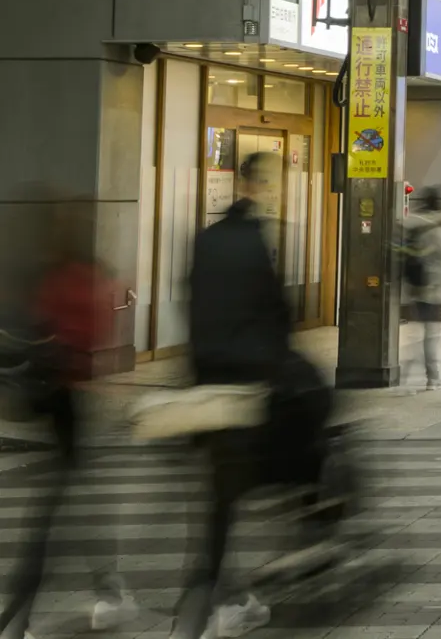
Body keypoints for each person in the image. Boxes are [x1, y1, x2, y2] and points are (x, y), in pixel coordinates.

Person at [0, 200, 132, 639]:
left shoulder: (48, 274)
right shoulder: (79, 274)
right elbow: (92, 341)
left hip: (51, 400)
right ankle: (29, 615)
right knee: (64, 506)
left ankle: (99, 590)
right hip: (65, 401)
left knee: (65, 504)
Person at [178, 152, 296, 639]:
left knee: (220, 500)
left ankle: (223, 597)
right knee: (242, 493)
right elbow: (275, 313)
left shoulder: (206, 239)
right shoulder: (253, 241)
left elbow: (193, 307)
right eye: (269, 180)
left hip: (208, 382)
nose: (272, 188)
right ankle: (217, 604)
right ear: (251, 183)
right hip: (246, 384)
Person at [398, 185, 441, 388]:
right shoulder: (437, 228)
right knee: (430, 334)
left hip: (415, 286)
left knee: (421, 331)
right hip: (432, 287)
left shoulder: (412, 225)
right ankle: (432, 376)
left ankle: (413, 370)